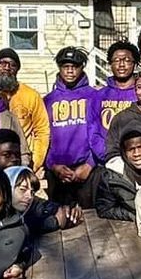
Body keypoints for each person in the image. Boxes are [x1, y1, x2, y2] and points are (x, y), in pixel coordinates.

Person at [44, 46, 101, 204]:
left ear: (82, 67)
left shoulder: (95, 97)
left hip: (87, 171)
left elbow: (101, 134)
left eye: (74, 66)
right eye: (65, 66)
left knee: (90, 216)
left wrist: (90, 164)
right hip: (57, 173)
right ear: (59, 67)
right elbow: (42, 137)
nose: (70, 71)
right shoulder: (48, 101)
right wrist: (53, 165)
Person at [0, 48, 52, 170]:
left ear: (17, 69)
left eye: (12, 65)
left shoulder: (31, 95)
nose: (7, 68)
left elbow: (42, 131)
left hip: (22, 161)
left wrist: (34, 164)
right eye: (2, 63)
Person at [88, 127, 141, 223]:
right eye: (131, 149)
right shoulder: (113, 176)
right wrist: (134, 215)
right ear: (124, 152)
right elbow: (104, 209)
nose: (137, 153)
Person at [96, 41, 141, 151]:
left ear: (135, 64)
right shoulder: (99, 96)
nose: (121, 64)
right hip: (105, 156)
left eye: (127, 60)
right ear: (110, 64)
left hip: (137, 154)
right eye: (116, 60)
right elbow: (93, 131)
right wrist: (106, 154)